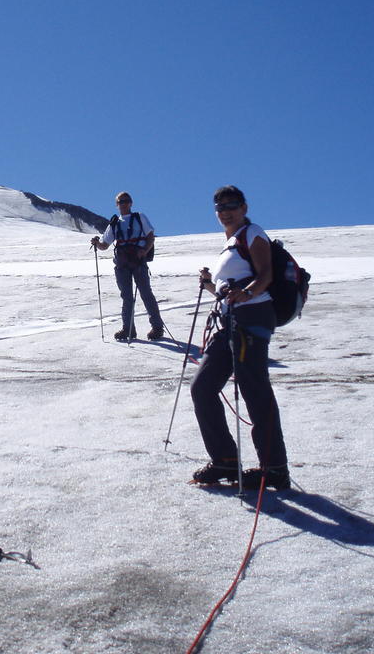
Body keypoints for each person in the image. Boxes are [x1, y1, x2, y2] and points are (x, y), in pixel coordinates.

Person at [189, 185, 290, 490]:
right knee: (203, 387)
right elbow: (229, 289)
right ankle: (225, 460)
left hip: (252, 319)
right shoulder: (231, 243)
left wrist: (245, 293)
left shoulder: (253, 233)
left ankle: (274, 468)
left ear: (244, 207)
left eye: (231, 205)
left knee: (254, 391)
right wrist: (210, 285)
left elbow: (266, 275)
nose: (225, 211)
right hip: (229, 322)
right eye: (220, 207)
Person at [91, 191, 165, 341]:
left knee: (145, 294)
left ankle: (156, 328)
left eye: (126, 201)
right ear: (117, 205)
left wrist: (144, 251)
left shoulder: (139, 217)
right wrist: (97, 244)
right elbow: (105, 245)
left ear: (131, 203)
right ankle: (129, 329)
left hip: (137, 262)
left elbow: (151, 236)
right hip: (123, 264)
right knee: (127, 297)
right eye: (120, 202)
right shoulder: (114, 223)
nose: (123, 204)